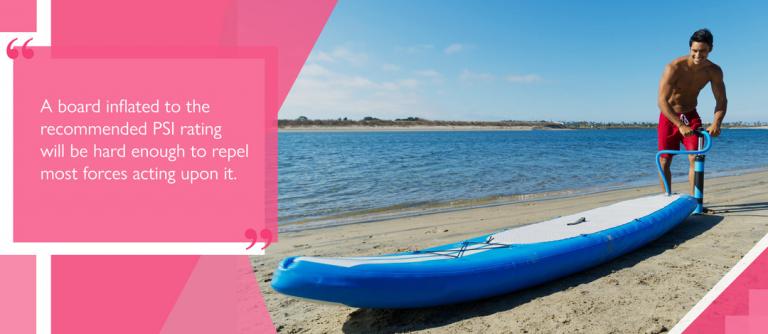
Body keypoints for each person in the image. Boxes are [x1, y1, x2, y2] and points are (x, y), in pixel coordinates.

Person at [657, 28, 727, 194]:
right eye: (694, 50)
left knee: (695, 158)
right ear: (690, 48)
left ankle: (695, 202)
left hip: (690, 114)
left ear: (710, 49)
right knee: (664, 160)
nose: (698, 55)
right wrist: (680, 124)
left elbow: (721, 100)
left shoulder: (713, 71)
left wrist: (717, 122)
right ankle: (666, 198)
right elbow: (661, 101)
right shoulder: (674, 67)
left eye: (702, 51)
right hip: (670, 115)